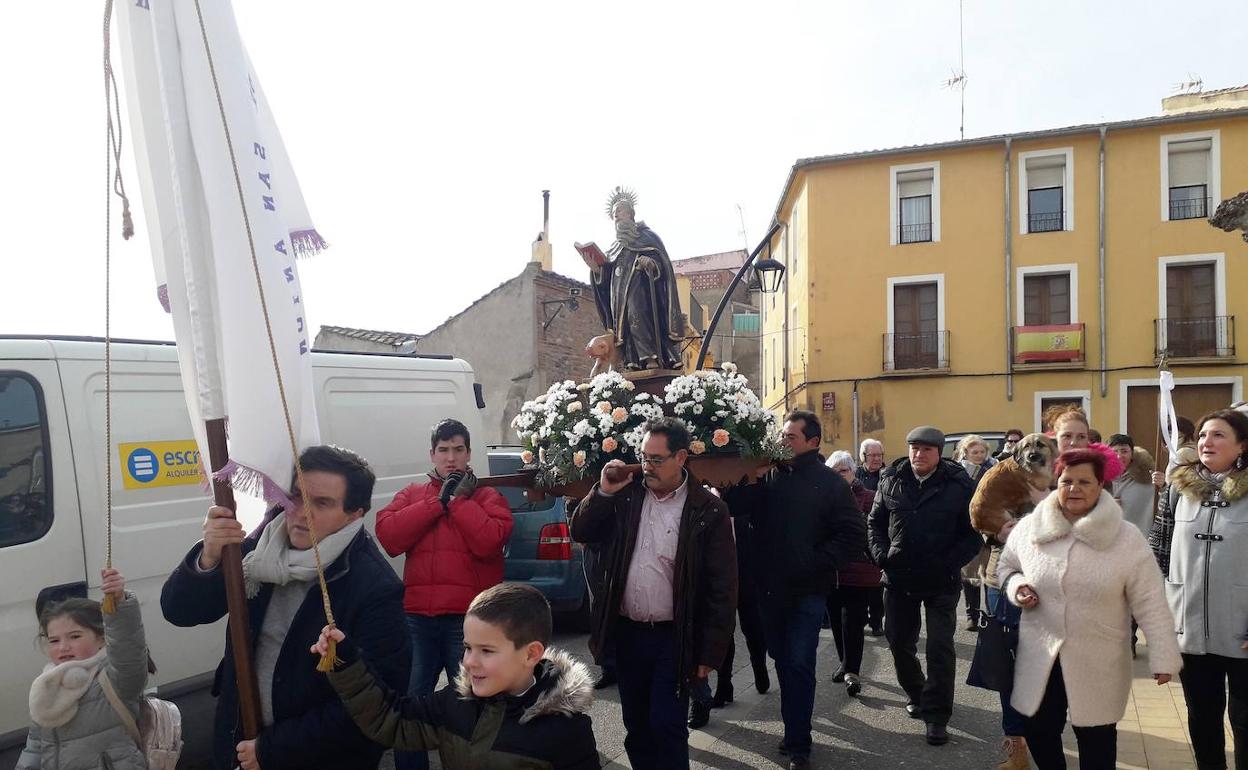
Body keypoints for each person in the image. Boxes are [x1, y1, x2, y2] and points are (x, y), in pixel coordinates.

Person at [161, 445, 410, 770]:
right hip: (239, 743)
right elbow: (180, 610)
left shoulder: (374, 587)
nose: (300, 512)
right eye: (294, 497)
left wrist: (272, 749)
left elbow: (376, 704)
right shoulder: (261, 547)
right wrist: (208, 556)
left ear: (355, 514)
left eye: (321, 503)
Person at [570, 417, 737, 770]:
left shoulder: (708, 510)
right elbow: (582, 531)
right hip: (628, 632)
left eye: (656, 459)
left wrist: (710, 651)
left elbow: (722, 586)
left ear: (680, 457)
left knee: (666, 725)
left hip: (674, 637)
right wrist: (601, 492)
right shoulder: (625, 497)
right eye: (643, 457)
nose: (647, 467)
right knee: (638, 727)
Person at [998, 449, 1180, 770]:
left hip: (1099, 656)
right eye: (1067, 481)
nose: (1074, 488)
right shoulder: (1030, 529)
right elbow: (1007, 567)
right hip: (1042, 654)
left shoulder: (1127, 538)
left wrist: (1163, 655)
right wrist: (1017, 586)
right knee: (1039, 731)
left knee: (1096, 739)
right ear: (1057, 482)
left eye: (1084, 481)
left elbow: (1150, 600)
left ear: (1101, 486)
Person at [314, 583, 601, 770]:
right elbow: (390, 719)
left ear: (530, 654)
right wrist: (346, 662)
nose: (469, 661)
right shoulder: (455, 703)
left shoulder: (565, 732)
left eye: (486, 651)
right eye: (467, 647)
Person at [724, 412, 864, 769]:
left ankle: (799, 742)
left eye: (791, 437)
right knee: (782, 659)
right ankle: (794, 727)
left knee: (799, 663)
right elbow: (731, 507)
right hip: (769, 590)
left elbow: (851, 536)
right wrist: (749, 481)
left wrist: (814, 561)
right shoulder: (767, 475)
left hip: (808, 591)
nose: (783, 442)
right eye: (782, 436)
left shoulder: (831, 484)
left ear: (813, 442)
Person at [376, 419, 514, 770]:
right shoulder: (412, 494)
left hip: (468, 625)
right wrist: (437, 504)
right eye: (443, 450)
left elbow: (488, 542)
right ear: (432, 454)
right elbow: (390, 537)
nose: (450, 458)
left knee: (470, 708)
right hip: (418, 621)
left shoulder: (488, 497)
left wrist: (459, 503)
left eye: (457, 450)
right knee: (410, 709)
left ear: (468, 454)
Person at [868, 425, 981, 747]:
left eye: (926, 449)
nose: (919, 454)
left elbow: (972, 533)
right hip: (899, 576)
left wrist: (949, 562)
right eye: (914, 448)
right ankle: (917, 693)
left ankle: (936, 716)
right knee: (899, 642)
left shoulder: (958, 484)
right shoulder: (891, 479)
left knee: (940, 648)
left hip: (940, 580)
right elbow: (875, 522)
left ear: (939, 453)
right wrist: (880, 555)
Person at [1156, 409, 1248, 770]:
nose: (1207, 442)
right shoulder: (1180, 489)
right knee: (1202, 718)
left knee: (1244, 722)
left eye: (1219, 435)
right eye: (1204, 435)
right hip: (1190, 628)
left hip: (1242, 631)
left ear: (1242, 445)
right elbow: (1159, 549)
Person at [19, 569, 149, 770]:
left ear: (101, 638)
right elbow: (35, 748)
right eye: (54, 640)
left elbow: (128, 647)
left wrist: (119, 603)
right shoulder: (47, 685)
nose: (63, 647)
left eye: (75, 636)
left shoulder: (113, 678)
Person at [587, 188, 684, 371]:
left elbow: (661, 261)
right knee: (624, 327)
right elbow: (606, 275)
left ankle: (650, 358)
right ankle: (632, 362)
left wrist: (650, 262)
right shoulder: (615, 246)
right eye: (614, 214)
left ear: (631, 214)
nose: (616, 216)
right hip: (619, 294)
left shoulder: (647, 237)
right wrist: (597, 270)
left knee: (637, 317)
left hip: (641, 289)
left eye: (619, 212)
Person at [825, 450, 883, 699]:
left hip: (859, 572)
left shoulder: (869, 498)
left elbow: (874, 533)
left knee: (853, 622)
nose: (839, 476)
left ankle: (852, 671)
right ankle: (845, 663)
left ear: (852, 472)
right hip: (830, 572)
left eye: (844, 471)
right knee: (836, 622)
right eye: (834, 472)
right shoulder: (822, 499)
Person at [953, 435, 997, 631]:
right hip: (968, 526)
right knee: (970, 572)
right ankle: (972, 613)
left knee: (990, 570)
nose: (979, 455)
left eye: (982, 452)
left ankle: (990, 614)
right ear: (966, 453)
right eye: (975, 452)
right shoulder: (959, 472)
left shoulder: (995, 468)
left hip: (991, 526)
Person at [855, 439, 887, 634]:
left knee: (878, 582)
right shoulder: (856, 475)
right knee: (860, 580)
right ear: (863, 457)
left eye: (879, 455)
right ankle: (861, 617)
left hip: (880, 533)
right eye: (872, 455)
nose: (876, 459)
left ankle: (877, 620)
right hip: (859, 533)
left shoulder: (888, 475)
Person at [1107, 434, 1156, 535]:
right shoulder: (1100, 480)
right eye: (1114, 451)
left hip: (1140, 538)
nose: (1119, 456)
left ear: (1132, 453)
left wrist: (1163, 485)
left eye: (1124, 451)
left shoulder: (1145, 479)